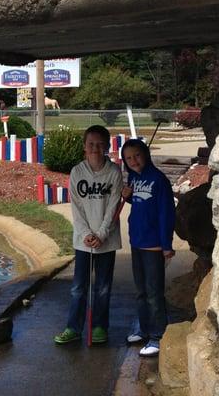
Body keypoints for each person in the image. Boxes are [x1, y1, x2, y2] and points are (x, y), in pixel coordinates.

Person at [54, 125, 123, 345]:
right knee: (78, 287)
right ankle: (73, 328)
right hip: (83, 242)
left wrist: (101, 234)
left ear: (107, 146)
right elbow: (77, 208)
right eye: (91, 144)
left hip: (107, 240)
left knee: (103, 287)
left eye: (100, 144)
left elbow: (113, 207)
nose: (95, 148)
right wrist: (85, 233)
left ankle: (100, 327)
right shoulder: (77, 172)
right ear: (84, 146)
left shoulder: (114, 172)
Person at [120, 139, 176, 357]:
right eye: (128, 158)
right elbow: (142, 202)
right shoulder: (134, 177)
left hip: (154, 245)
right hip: (137, 242)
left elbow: (165, 213)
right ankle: (143, 329)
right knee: (141, 292)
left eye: (137, 155)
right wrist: (128, 196)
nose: (133, 160)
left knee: (154, 293)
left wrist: (166, 245)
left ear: (146, 154)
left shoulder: (159, 180)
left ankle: (158, 335)